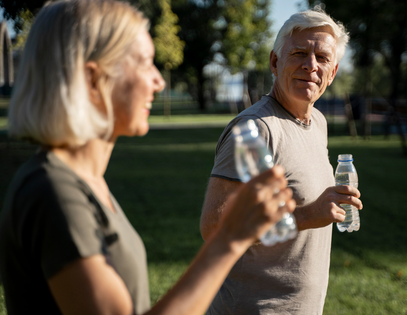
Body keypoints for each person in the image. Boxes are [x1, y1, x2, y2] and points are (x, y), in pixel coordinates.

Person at [0, 1, 296, 314]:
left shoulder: (83, 182)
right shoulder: (52, 193)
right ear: (92, 79)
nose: (159, 81)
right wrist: (229, 239)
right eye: (144, 63)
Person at [200, 7, 363, 315]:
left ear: (334, 71)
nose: (311, 66)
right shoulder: (256, 130)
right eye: (299, 53)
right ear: (275, 62)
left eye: (323, 58)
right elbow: (214, 227)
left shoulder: (317, 122)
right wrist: (306, 215)